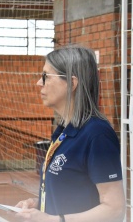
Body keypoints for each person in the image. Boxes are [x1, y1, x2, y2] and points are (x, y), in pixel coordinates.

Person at [13, 46, 125, 222]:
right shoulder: (64, 131)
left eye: (46, 77)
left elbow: (114, 210)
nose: (39, 83)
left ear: (72, 84)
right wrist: (38, 204)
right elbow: (72, 193)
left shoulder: (97, 134)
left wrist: (52, 220)